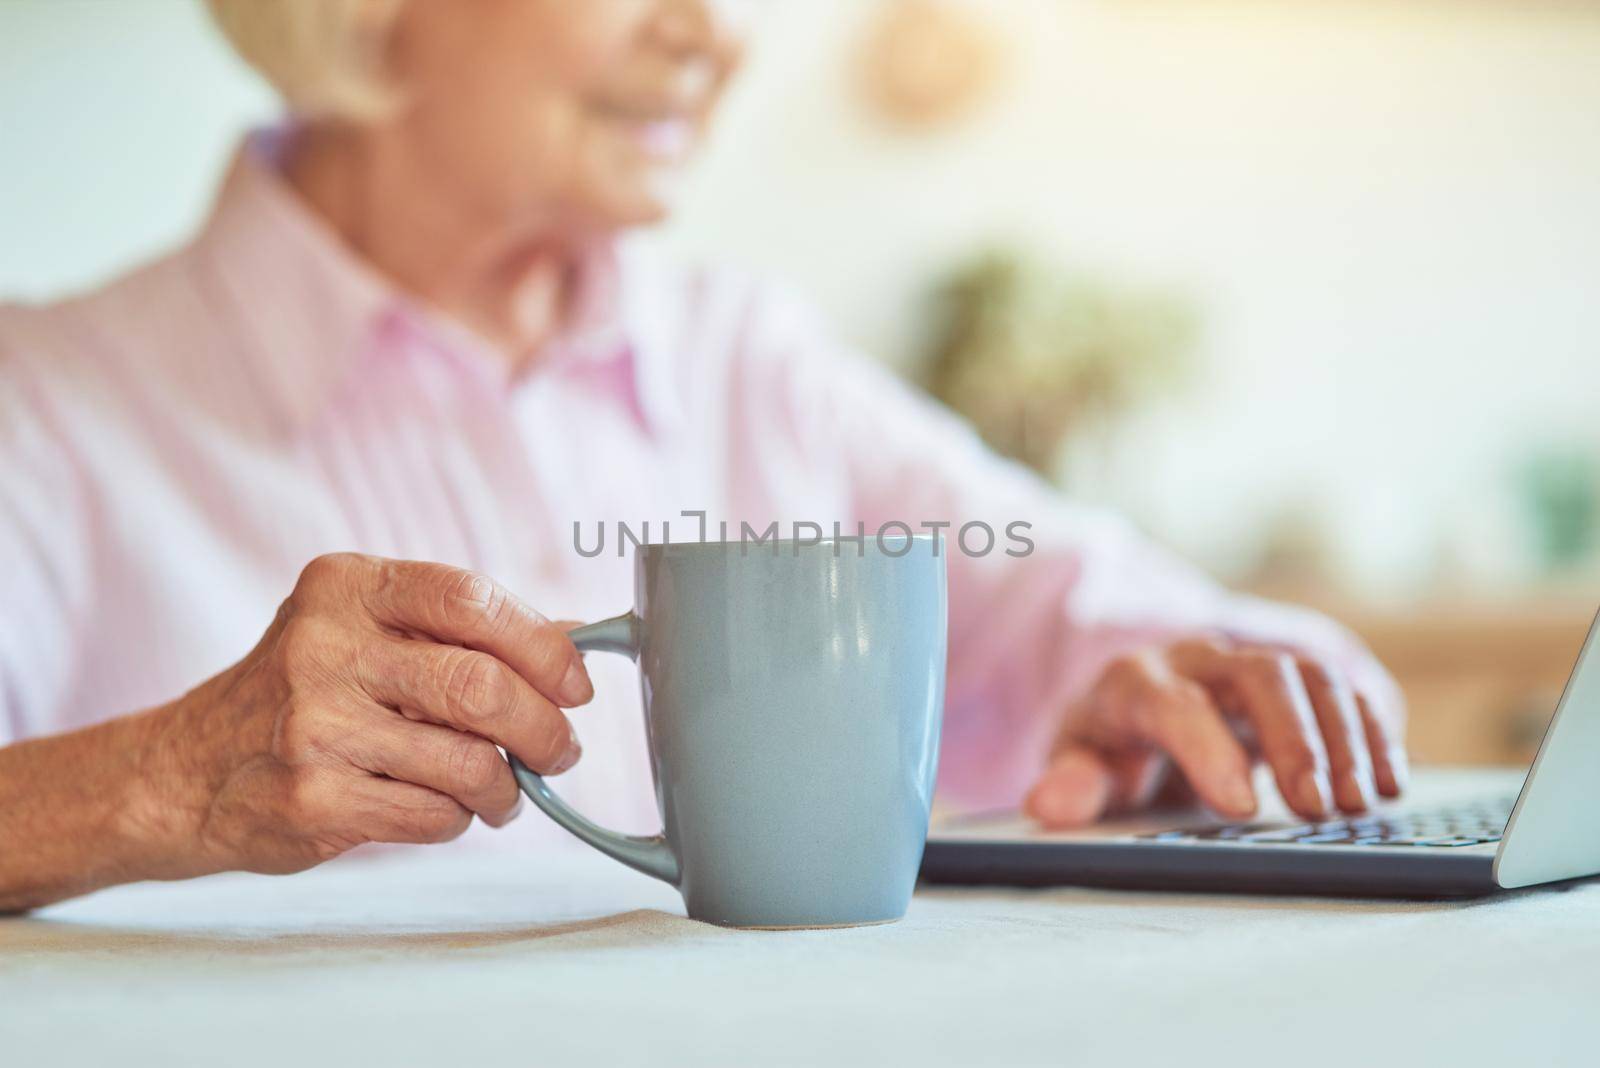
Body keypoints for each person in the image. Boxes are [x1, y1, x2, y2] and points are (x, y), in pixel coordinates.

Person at [0, 0, 1405, 913]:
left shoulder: (748, 356)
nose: (715, 32)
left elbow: (1168, 629)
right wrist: (161, 776)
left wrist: (1211, 693)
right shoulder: (47, 399)